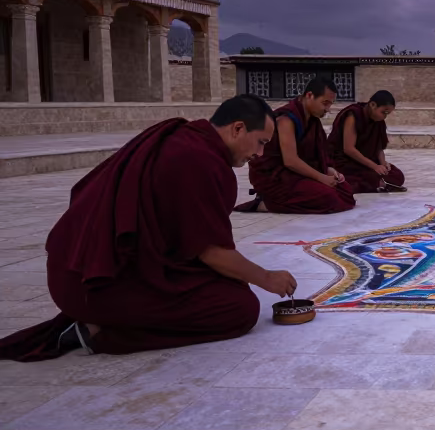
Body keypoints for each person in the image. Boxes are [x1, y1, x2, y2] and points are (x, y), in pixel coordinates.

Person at [0, 95, 299, 361]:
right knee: (238, 309)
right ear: (237, 129)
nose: (259, 155)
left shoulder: (186, 139)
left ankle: (99, 320)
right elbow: (211, 252)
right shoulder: (198, 160)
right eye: (261, 143)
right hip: (92, 285)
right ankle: (95, 332)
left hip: (82, 268)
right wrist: (266, 277)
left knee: (230, 284)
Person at [237, 77, 355, 214]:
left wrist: (329, 170)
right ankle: (265, 204)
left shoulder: (312, 121)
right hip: (277, 178)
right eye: (325, 103)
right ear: (309, 96)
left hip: (297, 174)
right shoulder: (286, 119)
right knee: (327, 197)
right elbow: (290, 161)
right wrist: (321, 177)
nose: (327, 109)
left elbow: (315, 156)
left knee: (345, 191)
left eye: (330, 104)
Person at [328, 89, 406, 193]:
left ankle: (379, 183)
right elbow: (349, 149)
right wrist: (374, 166)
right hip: (346, 162)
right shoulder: (353, 115)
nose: (384, 116)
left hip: (365, 162)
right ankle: (377, 183)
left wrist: (383, 164)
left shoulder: (378, 121)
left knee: (397, 176)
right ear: (373, 105)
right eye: (383, 112)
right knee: (356, 179)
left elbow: (379, 147)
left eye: (387, 114)